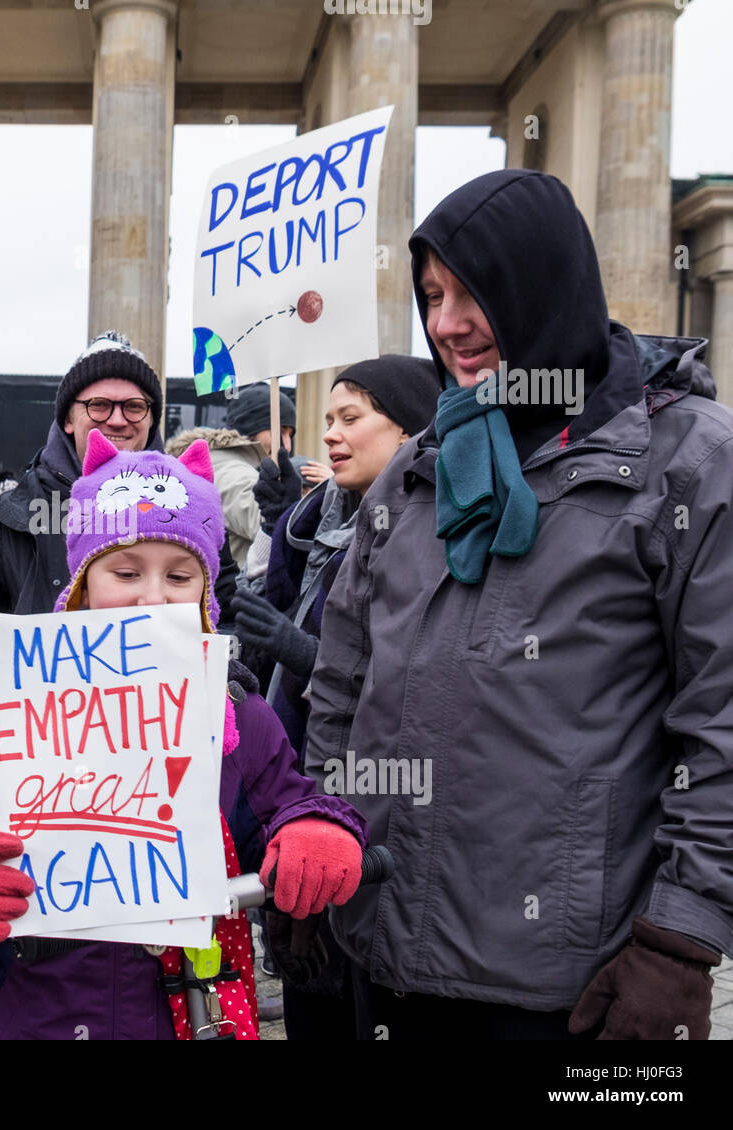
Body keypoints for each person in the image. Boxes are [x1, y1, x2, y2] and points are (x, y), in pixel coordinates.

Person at [306, 169, 733, 1040]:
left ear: (543, 283)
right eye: (431, 295)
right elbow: (340, 684)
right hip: (383, 953)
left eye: (476, 292)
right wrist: (320, 826)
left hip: (573, 991)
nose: (447, 323)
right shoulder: (420, 466)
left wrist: (681, 938)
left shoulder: (690, 462)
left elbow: (722, 719)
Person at [0, 430, 369, 1039]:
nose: (153, 597)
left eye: (181, 577)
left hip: (187, 1014)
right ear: (82, 584)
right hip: (29, 1015)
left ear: (209, 592)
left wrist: (314, 829)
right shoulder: (9, 705)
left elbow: (292, 799)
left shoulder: (234, 709)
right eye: (126, 571)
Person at [230, 357, 441, 1038]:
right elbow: (276, 616)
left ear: (411, 430)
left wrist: (304, 655)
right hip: (302, 794)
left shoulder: (434, 533)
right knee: (311, 999)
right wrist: (279, 525)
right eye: (327, 420)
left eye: (352, 418)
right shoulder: (316, 524)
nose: (331, 435)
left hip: (378, 812)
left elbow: (416, 685)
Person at [0, 331, 165, 616]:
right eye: (99, 405)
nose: (117, 420)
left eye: (134, 407)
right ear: (68, 418)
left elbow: (223, 618)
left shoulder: (192, 507)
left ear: (151, 420)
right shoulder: (9, 518)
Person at [165, 384, 296, 575]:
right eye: (279, 431)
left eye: (290, 435)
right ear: (253, 426)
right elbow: (283, 535)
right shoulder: (235, 472)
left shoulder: (217, 462)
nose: (287, 445)